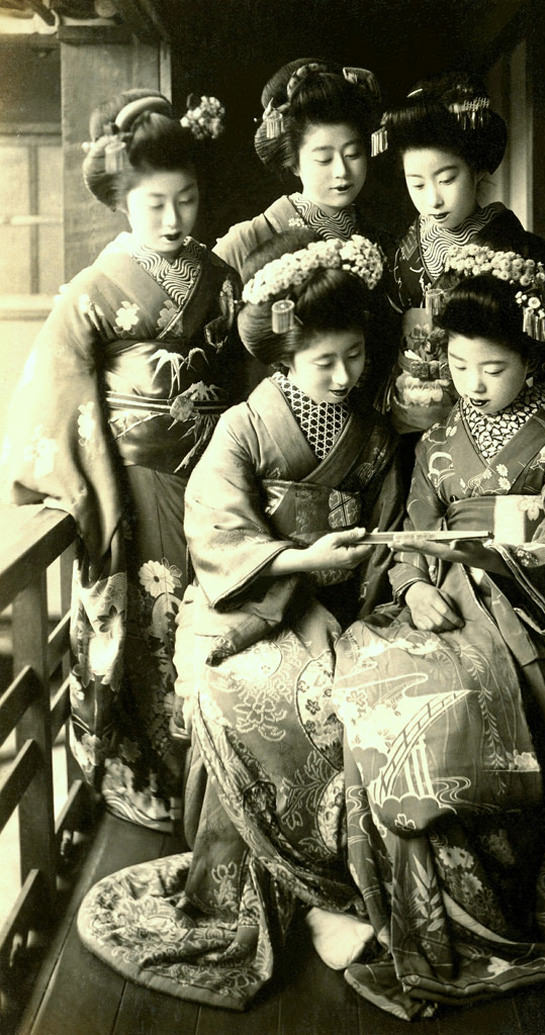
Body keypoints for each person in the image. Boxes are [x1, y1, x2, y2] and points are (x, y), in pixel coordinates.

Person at [76, 230, 405, 1008]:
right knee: (248, 699)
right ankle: (267, 901)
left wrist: (339, 595)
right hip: (243, 605)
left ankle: (336, 893)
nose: (342, 375)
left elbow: (385, 532)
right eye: (323, 360)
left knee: (352, 697)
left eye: (355, 355)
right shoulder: (245, 427)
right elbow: (218, 535)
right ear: (285, 355)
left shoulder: (375, 433)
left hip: (342, 603)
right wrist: (299, 573)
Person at [330, 253, 545, 1020]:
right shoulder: (436, 441)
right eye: (460, 363)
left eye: (492, 367)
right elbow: (409, 534)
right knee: (385, 685)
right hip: (445, 605)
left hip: (531, 616)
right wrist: (418, 586)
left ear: (530, 361)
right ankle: (416, 889)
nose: (472, 382)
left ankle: (489, 890)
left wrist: (481, 578)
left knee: (458, 700)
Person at [1, 89, 241, 830]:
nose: (174, 221)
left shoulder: (220, 279)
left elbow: (242, 381)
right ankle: (148, 781)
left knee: (215, 626)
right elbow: (58, 388)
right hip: (133, 485)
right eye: (155, 205)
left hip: (217, 475)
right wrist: (91, 481)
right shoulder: (92, 290)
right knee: (141, 632)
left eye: (188, 201)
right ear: (123, 203)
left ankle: (219, 781)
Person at [373, 73, 545, 449]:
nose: (433, 200)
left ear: (477, 170)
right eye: (417, 183)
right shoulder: (403, 252)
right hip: (411, 427)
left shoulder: (523, 255)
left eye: (447, 179)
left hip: (498, 426)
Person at [214, 58, 398, 399]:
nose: (342, 172)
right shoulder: (249, 239)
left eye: (353, 154)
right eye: (324, 159)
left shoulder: (380, 242)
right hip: (275, 424)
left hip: (367, 422)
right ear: (293, 161)